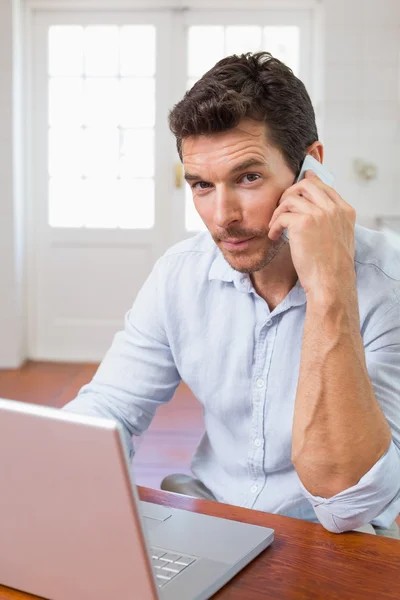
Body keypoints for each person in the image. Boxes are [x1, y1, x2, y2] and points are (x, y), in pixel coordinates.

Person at [64, 52, 400, 537]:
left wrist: (329, 288)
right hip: (212, 513)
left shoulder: (387, 284)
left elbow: (347, 503)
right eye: (201, 185)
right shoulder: (180, 275)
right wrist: (45, 461)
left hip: (336, 541)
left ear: (312, 169)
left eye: (248, 177)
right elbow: (110, 409)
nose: (222, 217)